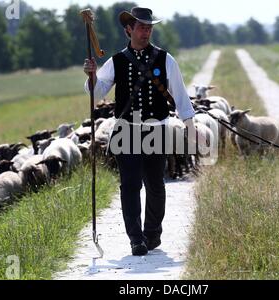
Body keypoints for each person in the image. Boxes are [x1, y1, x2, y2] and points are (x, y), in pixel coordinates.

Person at [84, 7, 197, 256]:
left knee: (156, 185)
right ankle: (136, 239)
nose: (146, 31)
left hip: (157, 130)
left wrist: (191, 126)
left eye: (149, 27)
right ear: (129, 30)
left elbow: (180, 94)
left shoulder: (166, 59)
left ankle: (152, 234)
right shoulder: (117, 61)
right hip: (127, 131)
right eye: (141, 27)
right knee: (130, 186)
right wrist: (91, 75)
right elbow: (97, 92)